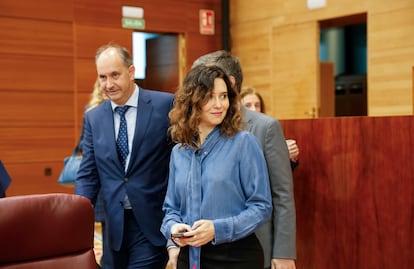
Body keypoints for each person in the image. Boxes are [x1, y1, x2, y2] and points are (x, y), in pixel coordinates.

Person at [190, 50, 297, 269]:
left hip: (254, 247)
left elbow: (282, 194)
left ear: (229, 83)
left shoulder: (265, 128)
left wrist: (283, 253)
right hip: (207, 249)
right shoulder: (193, 128)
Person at [161, 64, 272, 269]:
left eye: (223, 96)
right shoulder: (179, 153)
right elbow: (171, 209)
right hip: (190, 257)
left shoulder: (244, 143)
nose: (219, 104)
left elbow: (261, 206)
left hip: (236, 258)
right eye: (210, 96)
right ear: (193, 100)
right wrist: (174, 228)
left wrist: (217, 229)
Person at [75, 43, 174, 269]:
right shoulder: (94, 118)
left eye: (115, 75)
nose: (108, 84)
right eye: (102, 77)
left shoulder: (164, 105)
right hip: (113, 226)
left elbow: (178, 163)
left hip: (152, 223)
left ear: (131, 72)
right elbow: (88, 174)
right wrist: (77, 217)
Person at [79, 78, 112, 269]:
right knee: (106, 222)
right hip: (100, 177)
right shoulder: (92, 111)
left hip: (113, 177)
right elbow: (85, 143)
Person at [240, 86, 300, 170]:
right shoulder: (235, 133)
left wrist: (290, 157)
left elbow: (283, 172)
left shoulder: (270, 128)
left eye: (257, 105)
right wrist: (280, 154)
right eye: (248, 105)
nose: (253, 109)